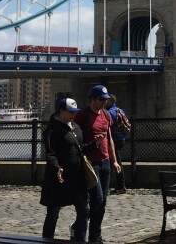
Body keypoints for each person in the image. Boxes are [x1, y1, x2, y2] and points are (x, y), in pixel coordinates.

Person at [41, 97, 98, 241]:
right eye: (70, 112)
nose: (73, 114)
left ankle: (79, 239)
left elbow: (80, 149)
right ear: (61, 111)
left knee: (84, 210)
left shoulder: (76, 127)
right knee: (53, 212)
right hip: (59, 179)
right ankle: (46, 240)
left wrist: (94, 144)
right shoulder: (53, 129)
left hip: (77, 178)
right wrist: (57, 167)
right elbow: (50, 153)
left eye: (75, 112)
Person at [74, 85, 121, 244]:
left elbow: (109, 139)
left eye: (105, 100)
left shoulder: (107, 115)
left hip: (105, 161)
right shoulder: (82, 116)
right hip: (90, 163)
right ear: (92, 99)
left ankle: (95, 237)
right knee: (98, 198)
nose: (103, 103)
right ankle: (79, 226)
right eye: (101, 100)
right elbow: (77, 139)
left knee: (103, 202)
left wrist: (114, 160)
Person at [105, 94, 128, 194]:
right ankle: (119, 185)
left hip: (113, 141)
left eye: (106, 100)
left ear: (110, 101)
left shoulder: (109, 113)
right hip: (121, 139)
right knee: (115, 162)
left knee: (113, 163)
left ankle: (119, 186)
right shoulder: (120, 110)